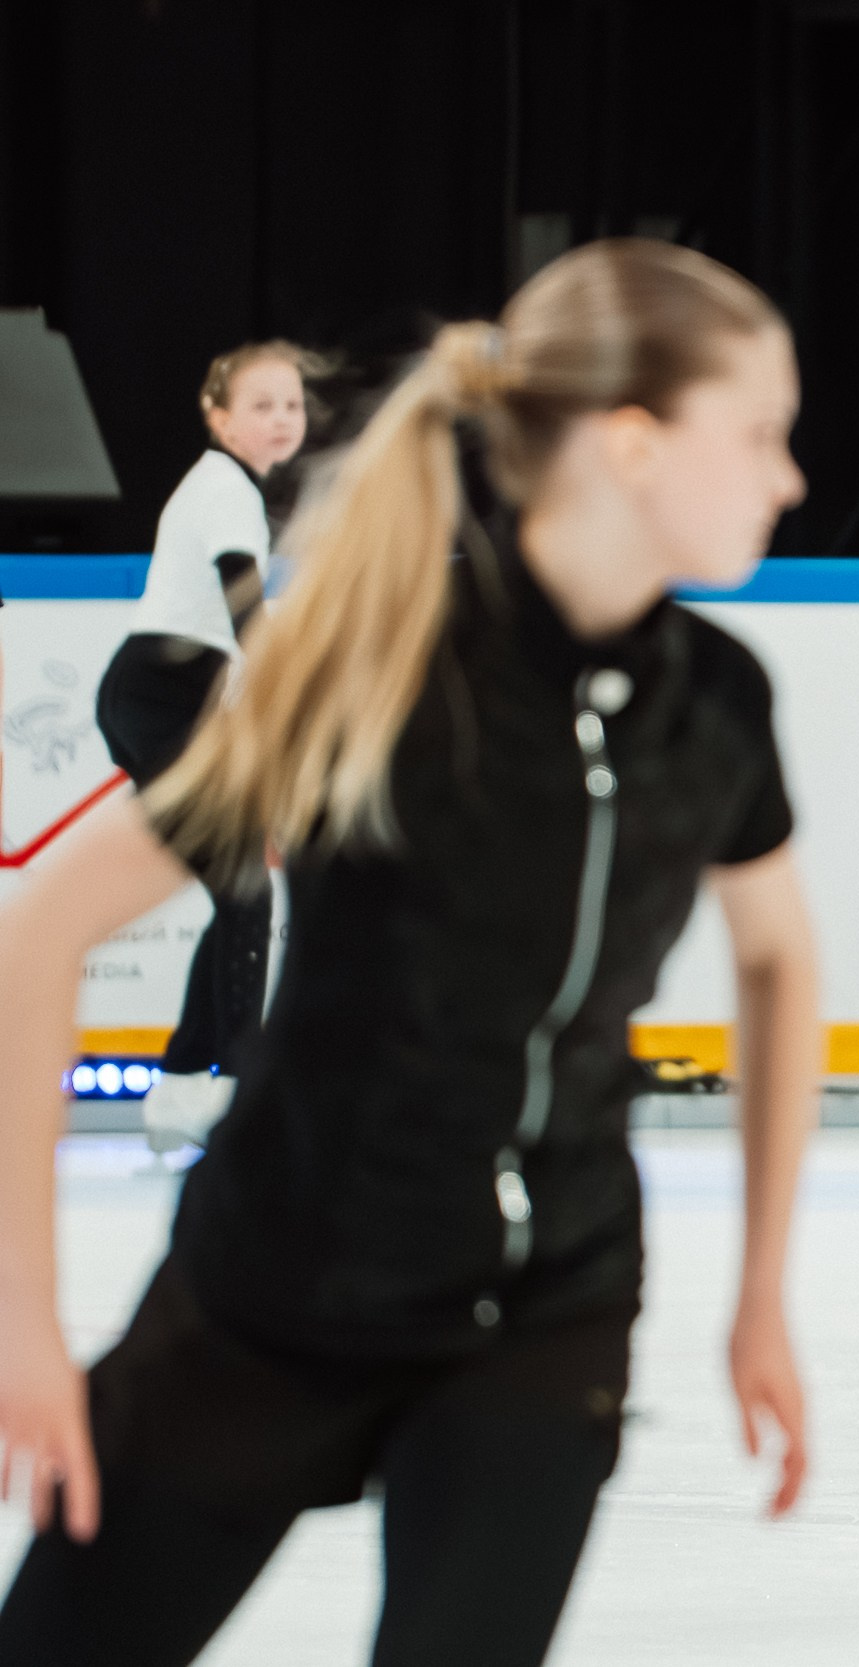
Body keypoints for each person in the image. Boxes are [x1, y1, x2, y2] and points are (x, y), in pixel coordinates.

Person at [0, 237, 817, 1664]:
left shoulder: (718, 702)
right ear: (632, 443)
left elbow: (780, 960)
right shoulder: (385, 662)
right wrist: (21, 1318)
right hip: (280, 1283)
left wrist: (760, 1289)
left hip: (548, 1311)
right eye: (759, 435)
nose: (789, 474)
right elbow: (44, 930)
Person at [95, 341, 316, 1150]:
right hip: (158, 700)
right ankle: (225, 1087)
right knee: (246, 894)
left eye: (292, 404)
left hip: (167, 701)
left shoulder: (229, 490)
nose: (282, 419)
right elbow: (244, 610)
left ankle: (186, 1086)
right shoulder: (226, 491)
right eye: (262, 405)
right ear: (217, 415)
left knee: (238, 895)